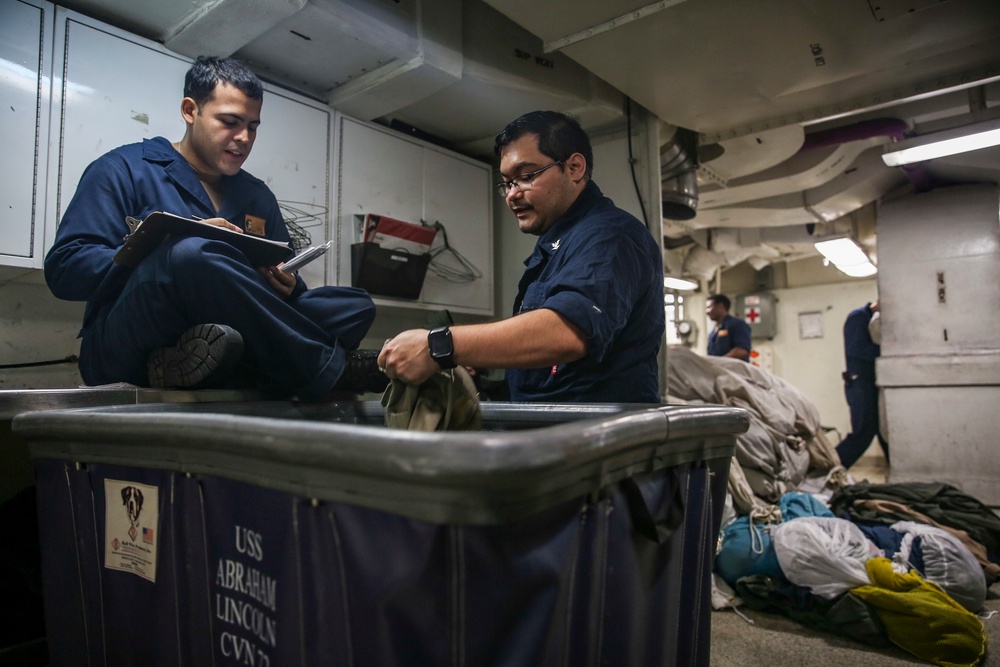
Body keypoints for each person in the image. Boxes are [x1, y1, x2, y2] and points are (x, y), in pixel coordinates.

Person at [44, 56, 383, 399]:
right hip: (130, 338)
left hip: (227, 335)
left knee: (352, 305)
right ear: (191, 110)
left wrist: (289, 285)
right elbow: (65, 269)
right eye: (230, 121)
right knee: (193, 253)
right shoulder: (123, 168)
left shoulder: (256, 195)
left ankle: (198, 366)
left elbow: (280, 294)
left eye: (252, 126)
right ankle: (333, 372)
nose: (243, 138)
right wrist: (162, 246)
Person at [378, 110, 664, 403]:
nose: (511, 195)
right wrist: (488, 382)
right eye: (507, 182)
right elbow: (552, 377)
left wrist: (440, 345)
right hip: (556, 434)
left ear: (575, 167)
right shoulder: (557, 245)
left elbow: (567, 332)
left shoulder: (609, 235)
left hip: (598, 440)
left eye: (526, 176)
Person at [835, 301, 888, 468]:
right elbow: (857, 350)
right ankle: (829, 466)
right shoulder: (859, 317)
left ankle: (899, 467)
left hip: (870, 383)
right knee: (862, 433)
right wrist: (889, 351)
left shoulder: (867, 317)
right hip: (860, 384)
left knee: (884, 431)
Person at [705, 294, 752, 361]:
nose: (707, 311)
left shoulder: (737, 324)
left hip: (734, 370)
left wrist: (719, 362)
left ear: (720, 306)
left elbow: (742, 351)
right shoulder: (713, 332)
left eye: (709, 307)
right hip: (717, 370)